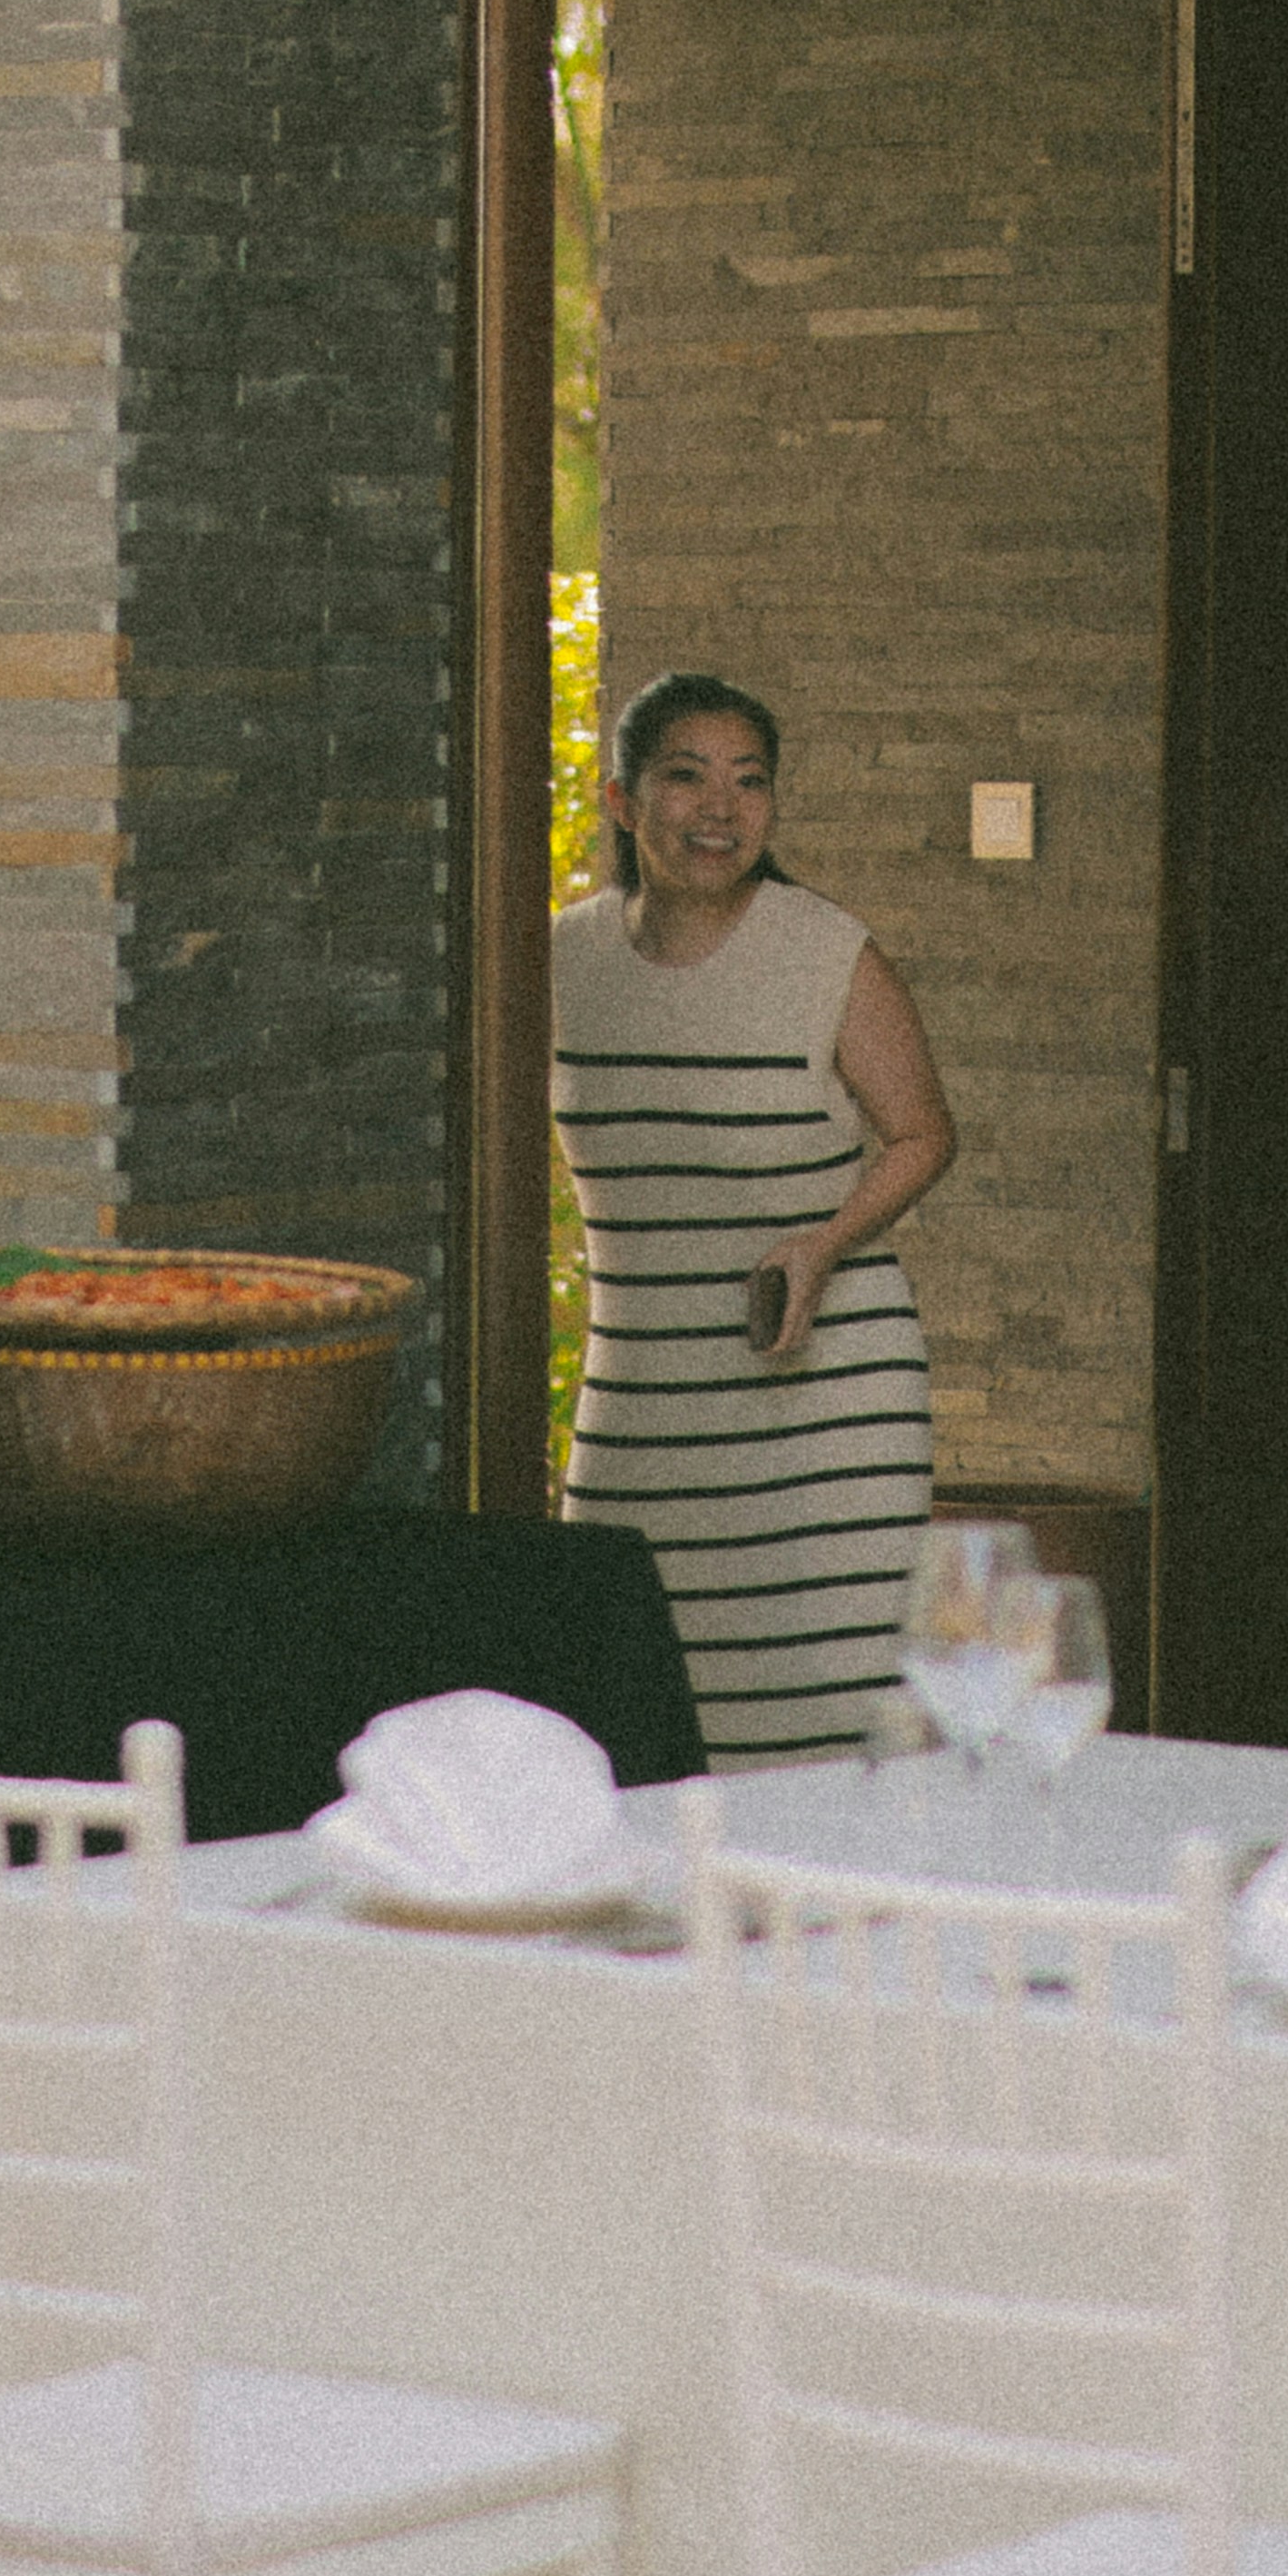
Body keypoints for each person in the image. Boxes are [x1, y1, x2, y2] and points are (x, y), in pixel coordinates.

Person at [551, 669, 950, 1762]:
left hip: (827, 1406)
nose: (719, 809)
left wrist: (820, 1246)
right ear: (622, 800)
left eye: (749, 781)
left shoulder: (826, 953)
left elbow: (924, 1134)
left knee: (826, 1729)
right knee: (637, 1725)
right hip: (640, 1408)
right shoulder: (559, 962)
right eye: (685, 778)